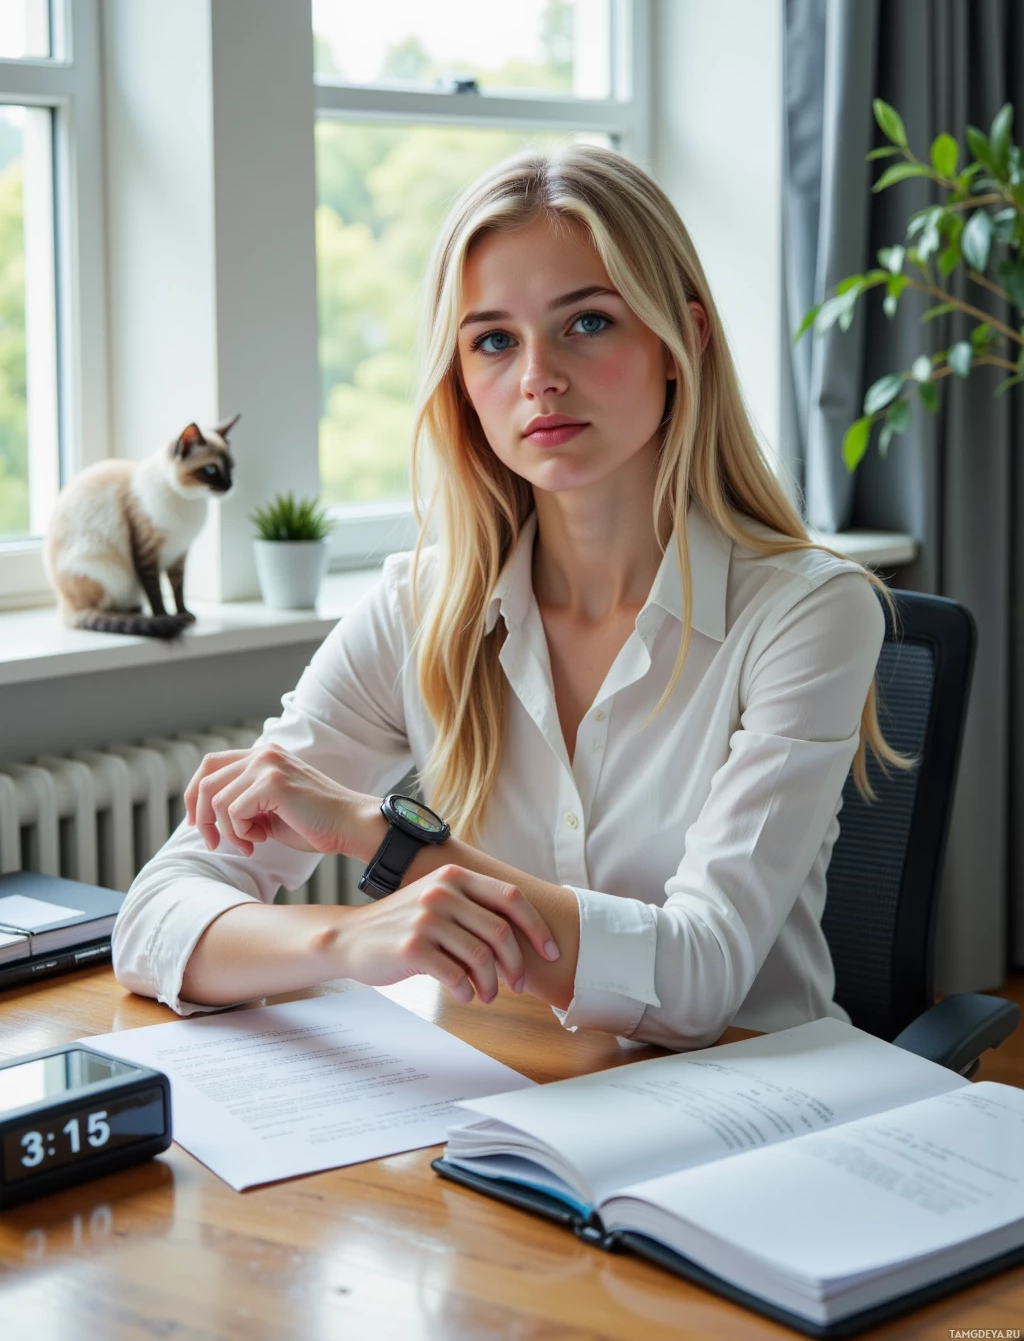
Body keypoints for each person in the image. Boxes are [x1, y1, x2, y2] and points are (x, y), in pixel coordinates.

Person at [112, 145, 899, 1050]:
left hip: (751, 1119)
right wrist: (351, 938)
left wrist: (383, 838)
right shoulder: (423, 605)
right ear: (461, 382)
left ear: (683, 341)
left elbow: (697, 979)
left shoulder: (810, 612)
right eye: (493, 339)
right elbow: (156, 917)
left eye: (589, 322)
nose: (538, 377)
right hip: (498, 1119)